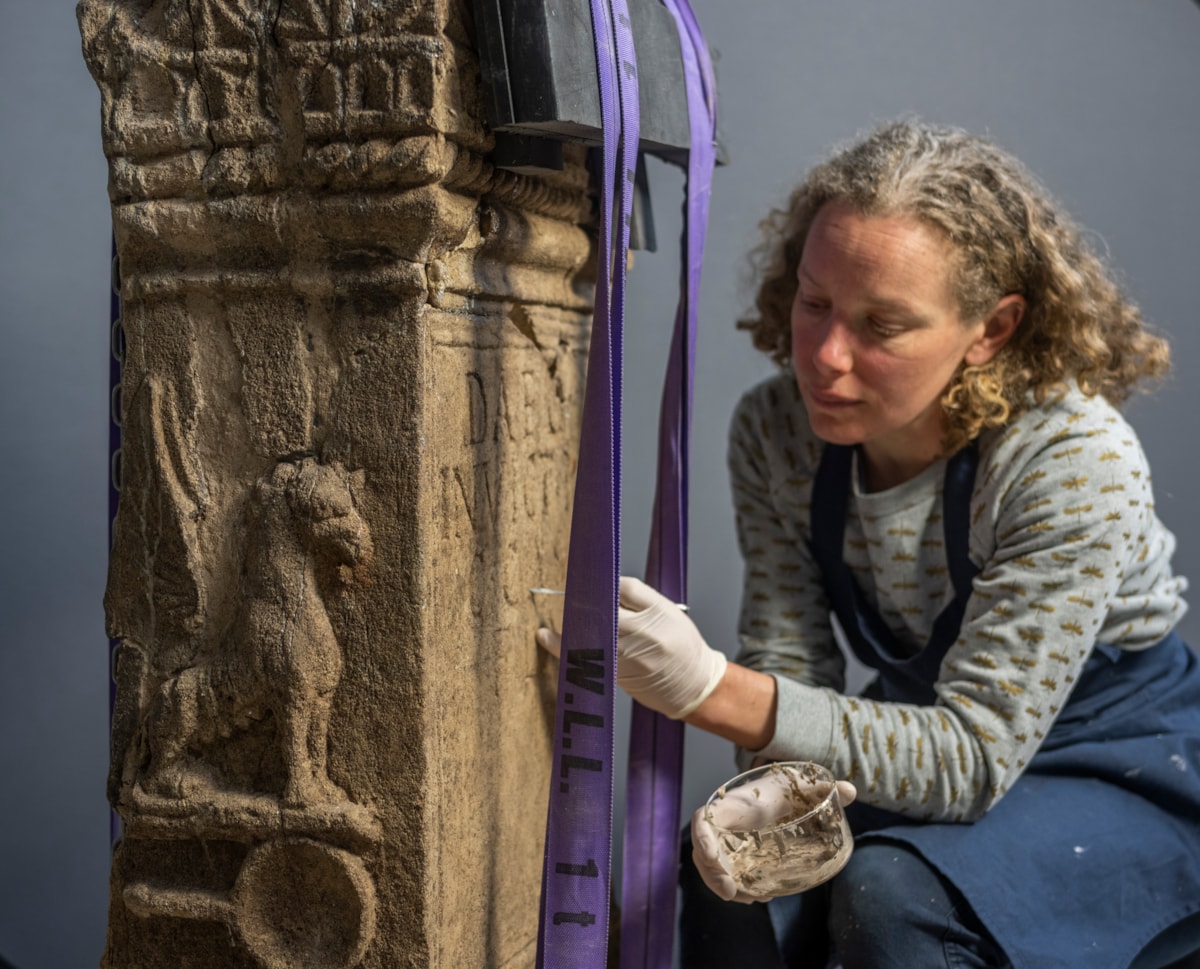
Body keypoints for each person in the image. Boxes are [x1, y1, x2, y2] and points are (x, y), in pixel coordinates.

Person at [541, 120, 1200, 968]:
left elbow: (969, 755)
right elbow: (792, 666)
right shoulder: (778, 433)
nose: (823, 355)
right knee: (730, 879)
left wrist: (703, 685)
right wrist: (772, 787)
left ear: (991, 330)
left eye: (882, 326)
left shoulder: (1073, 460)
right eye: (814, 302)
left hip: (1117, 759)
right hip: (935, 726)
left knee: (893, 897)